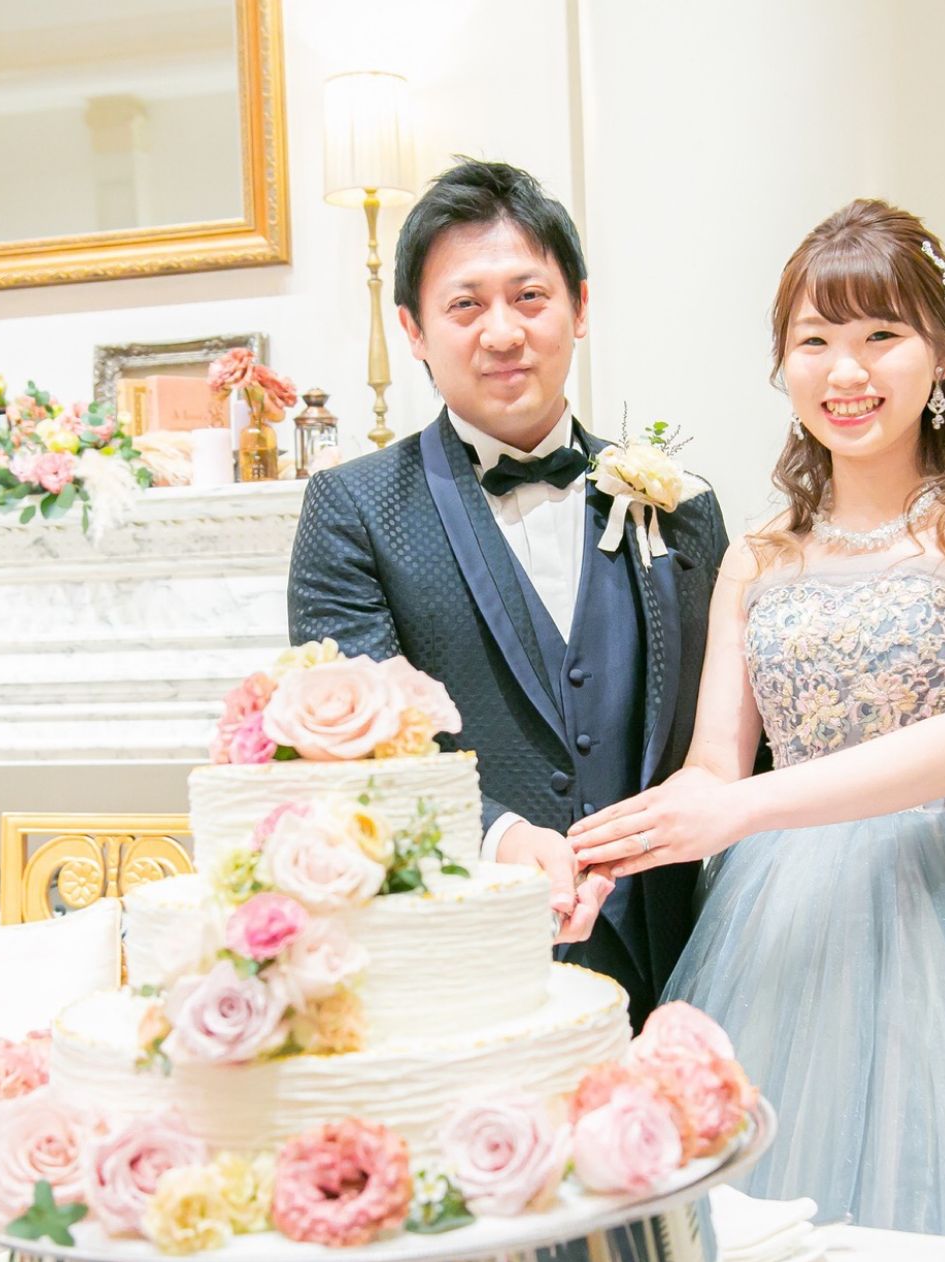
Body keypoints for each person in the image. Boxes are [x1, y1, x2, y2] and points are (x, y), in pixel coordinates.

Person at [569, 198, 945, 1244]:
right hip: (782, 928)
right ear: (781, 364)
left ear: (941, 354)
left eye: (882, 334)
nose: (847, 371)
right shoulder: (756, 553)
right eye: (814, 340)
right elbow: (712, 763)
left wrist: (740, 809)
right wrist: (623, 837)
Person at [287, 159, 730, 1031]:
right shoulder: (353, 509)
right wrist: (497, 836)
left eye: (530, 297)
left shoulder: (682, 506)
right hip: (465, 962)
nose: (502, 332)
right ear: (413, 329)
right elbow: (349, 753)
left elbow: (746, 727)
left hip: (678, 958)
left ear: (580, 307)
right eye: (465, 305)